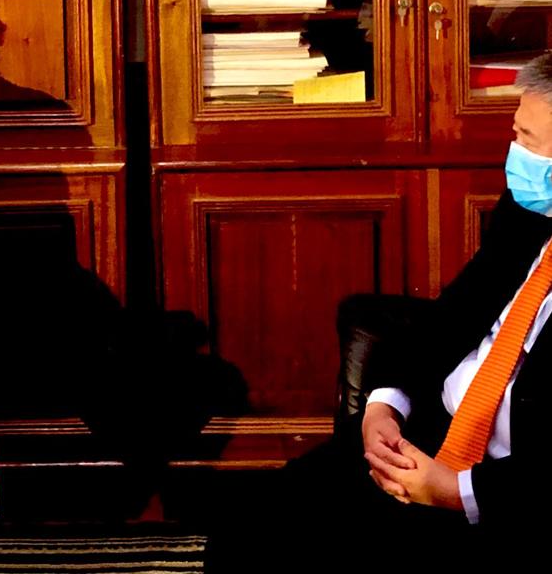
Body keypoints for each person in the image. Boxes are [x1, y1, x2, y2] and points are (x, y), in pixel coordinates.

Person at [206, 53, 552, 570]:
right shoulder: (527, 212)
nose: (514, 151)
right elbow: (451, 316)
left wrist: (459, 491)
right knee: (248, 528)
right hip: (430, 434)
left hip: (508, 493)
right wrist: (383, 406)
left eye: (528, 139)